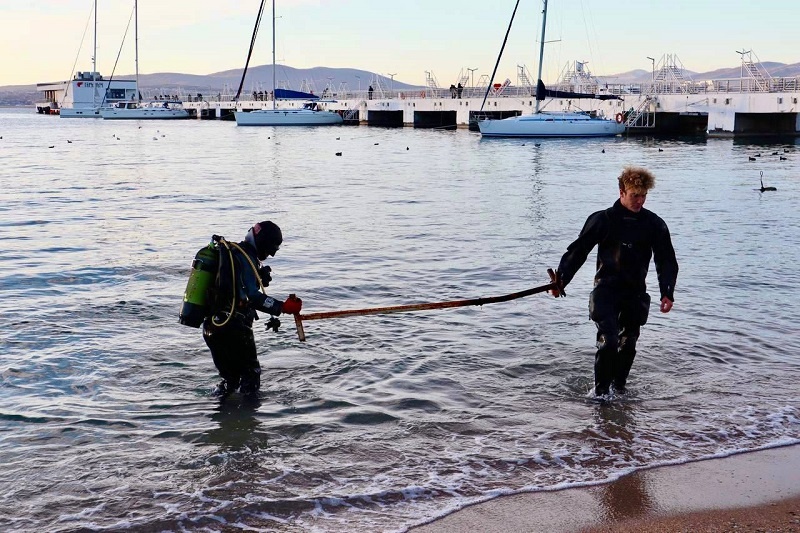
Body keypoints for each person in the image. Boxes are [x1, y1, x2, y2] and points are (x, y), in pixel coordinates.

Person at [550, 167, 678, 398]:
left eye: (643, 196)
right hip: (606, 290)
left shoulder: (654, 224)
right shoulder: (603, 219)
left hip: (635, 293)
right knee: (609, 341)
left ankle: (619, 391)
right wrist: (561, 280)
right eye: (634, 195)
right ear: (621, 192)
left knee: (628, 344)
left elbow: (666, 259)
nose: (639, 201)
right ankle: (599, 395)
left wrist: (667, 292)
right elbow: (578, 252)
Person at [202, 221, 302, 399]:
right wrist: (283, 307)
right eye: (271, 249)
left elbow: (235, 287)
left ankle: (222, 419)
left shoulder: (232, 253)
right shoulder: (245, 257)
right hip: (234, 327)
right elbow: (252, 296)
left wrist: (259, 278)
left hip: (212, 327)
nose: (270, 255)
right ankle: (249, 423)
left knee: (230, 380)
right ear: (263, 243)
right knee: (251, 375)